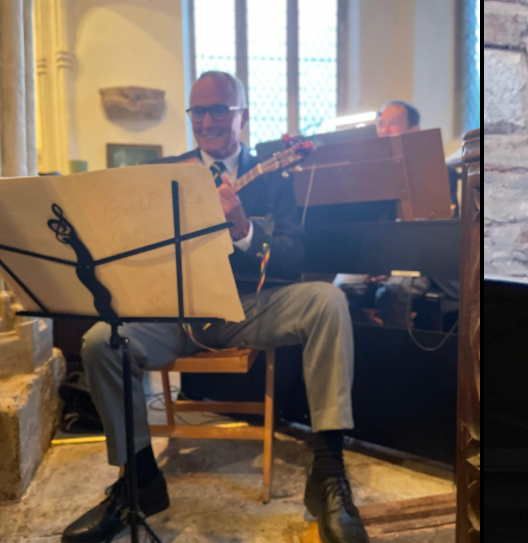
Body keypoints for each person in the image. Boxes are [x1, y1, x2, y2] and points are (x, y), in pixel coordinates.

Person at [62, 72, 369, 543]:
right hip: (174, 312)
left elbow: (293, 257)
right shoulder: (164, 173)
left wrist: (244, 228)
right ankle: (139, 482)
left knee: (328, 301)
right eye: (198, 111)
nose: (208, 120)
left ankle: (327, 472)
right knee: (101, 340)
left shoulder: (274, 178)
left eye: (220, 109)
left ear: (242, 115)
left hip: (248, 306)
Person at [335, 100, 460, 330]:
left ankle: (400, 359)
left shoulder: (440, 173)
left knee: (393, 292)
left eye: (393, 124)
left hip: (426, 264)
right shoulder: (370, 176)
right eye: (381, 124)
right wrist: (373, 261)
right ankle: (369, 348)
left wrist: (391, 263)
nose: (384, 130)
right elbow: (368, 228)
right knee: (339, 288)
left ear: (414, 132)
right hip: (380, 263)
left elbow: (435, 234)